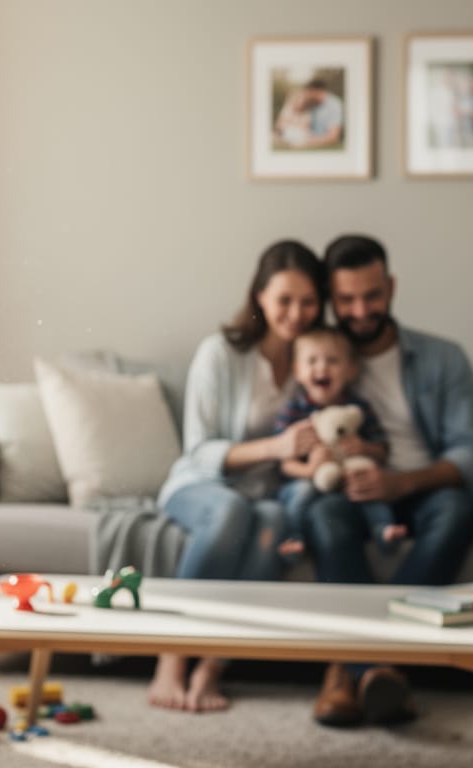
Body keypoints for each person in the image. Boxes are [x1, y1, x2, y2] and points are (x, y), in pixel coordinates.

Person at [304, 234, 473, 727]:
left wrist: (400, 484)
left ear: (390, 287)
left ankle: (345, 669)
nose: (361, 309)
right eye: (345, 299)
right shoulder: (320, 362)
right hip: (352, 495)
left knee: (459, 509)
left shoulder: (442, 358)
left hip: (426, 490)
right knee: (321, 512)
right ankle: (379, 669)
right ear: (330, 296)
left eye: (372, 295)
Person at [149, 240, 325, 713]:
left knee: (269, 522)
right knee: (231, 510)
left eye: (308, 302)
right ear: (260, 297)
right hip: (201, 485)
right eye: (284, 300)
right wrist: (277, 447)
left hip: (268, 495)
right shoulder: (220, 354)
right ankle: (171, 657)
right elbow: (199, 449)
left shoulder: (320, 361)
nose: (296, 314)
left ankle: (212, 667)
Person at [273, 326, 404, 561]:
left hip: (345, 482)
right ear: (297, 370)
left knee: (367, 486)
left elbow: (382, 450)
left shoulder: (358, 409)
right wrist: (310, 470)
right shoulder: (294, 411)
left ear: (352, 370)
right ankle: (293, 538)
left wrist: (364, 449)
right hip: (305, 482)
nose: (321, 368)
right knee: (303, 492)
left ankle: (383, 529)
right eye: (311, 361)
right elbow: (284, 464)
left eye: (332, 360)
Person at [299, 78, 344, 149]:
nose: (307, 95)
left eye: (309, 92)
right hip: (309, 140)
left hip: (319, 144)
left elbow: (333, 137)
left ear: (317, 91)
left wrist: (305, 142)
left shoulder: (334, 105)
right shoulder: (311, 104)